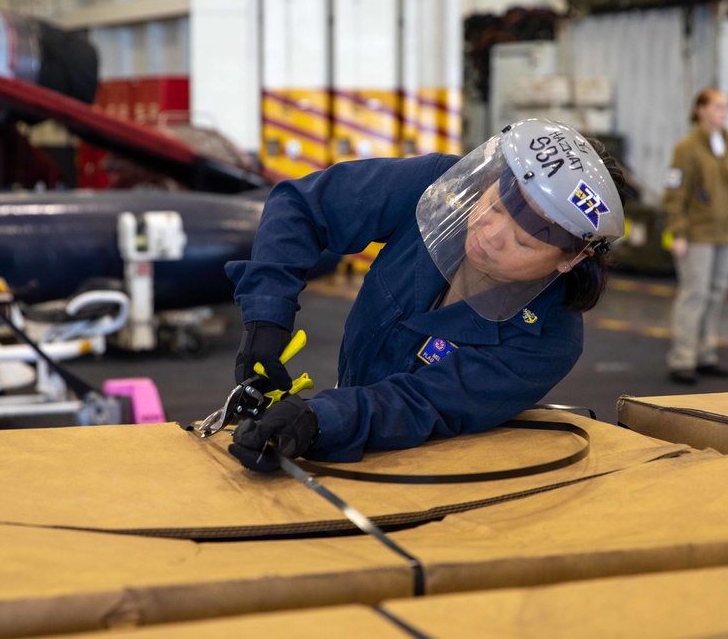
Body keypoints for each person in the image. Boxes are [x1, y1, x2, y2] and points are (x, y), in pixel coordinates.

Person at [224, 118, 626, 470]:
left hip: (437, 470)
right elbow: (305, 206)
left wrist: (318, 420)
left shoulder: (548, 341)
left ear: (571, 260)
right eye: (495, 207)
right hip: (347, 413)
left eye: (523, 242)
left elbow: (421, 404)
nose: (489, 235)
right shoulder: (442, 188)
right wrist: (267, 315)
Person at [664, 87, 728, 385]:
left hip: (726, 231)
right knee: (694, 294)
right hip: (697, 232)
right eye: (717, 107)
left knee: (716, 294)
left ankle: (705, 353)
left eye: (725, 107)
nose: (723, 113)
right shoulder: (686, 148)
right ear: (700, 110)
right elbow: (674, 192)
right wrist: (678, 232)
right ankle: (682, 358)